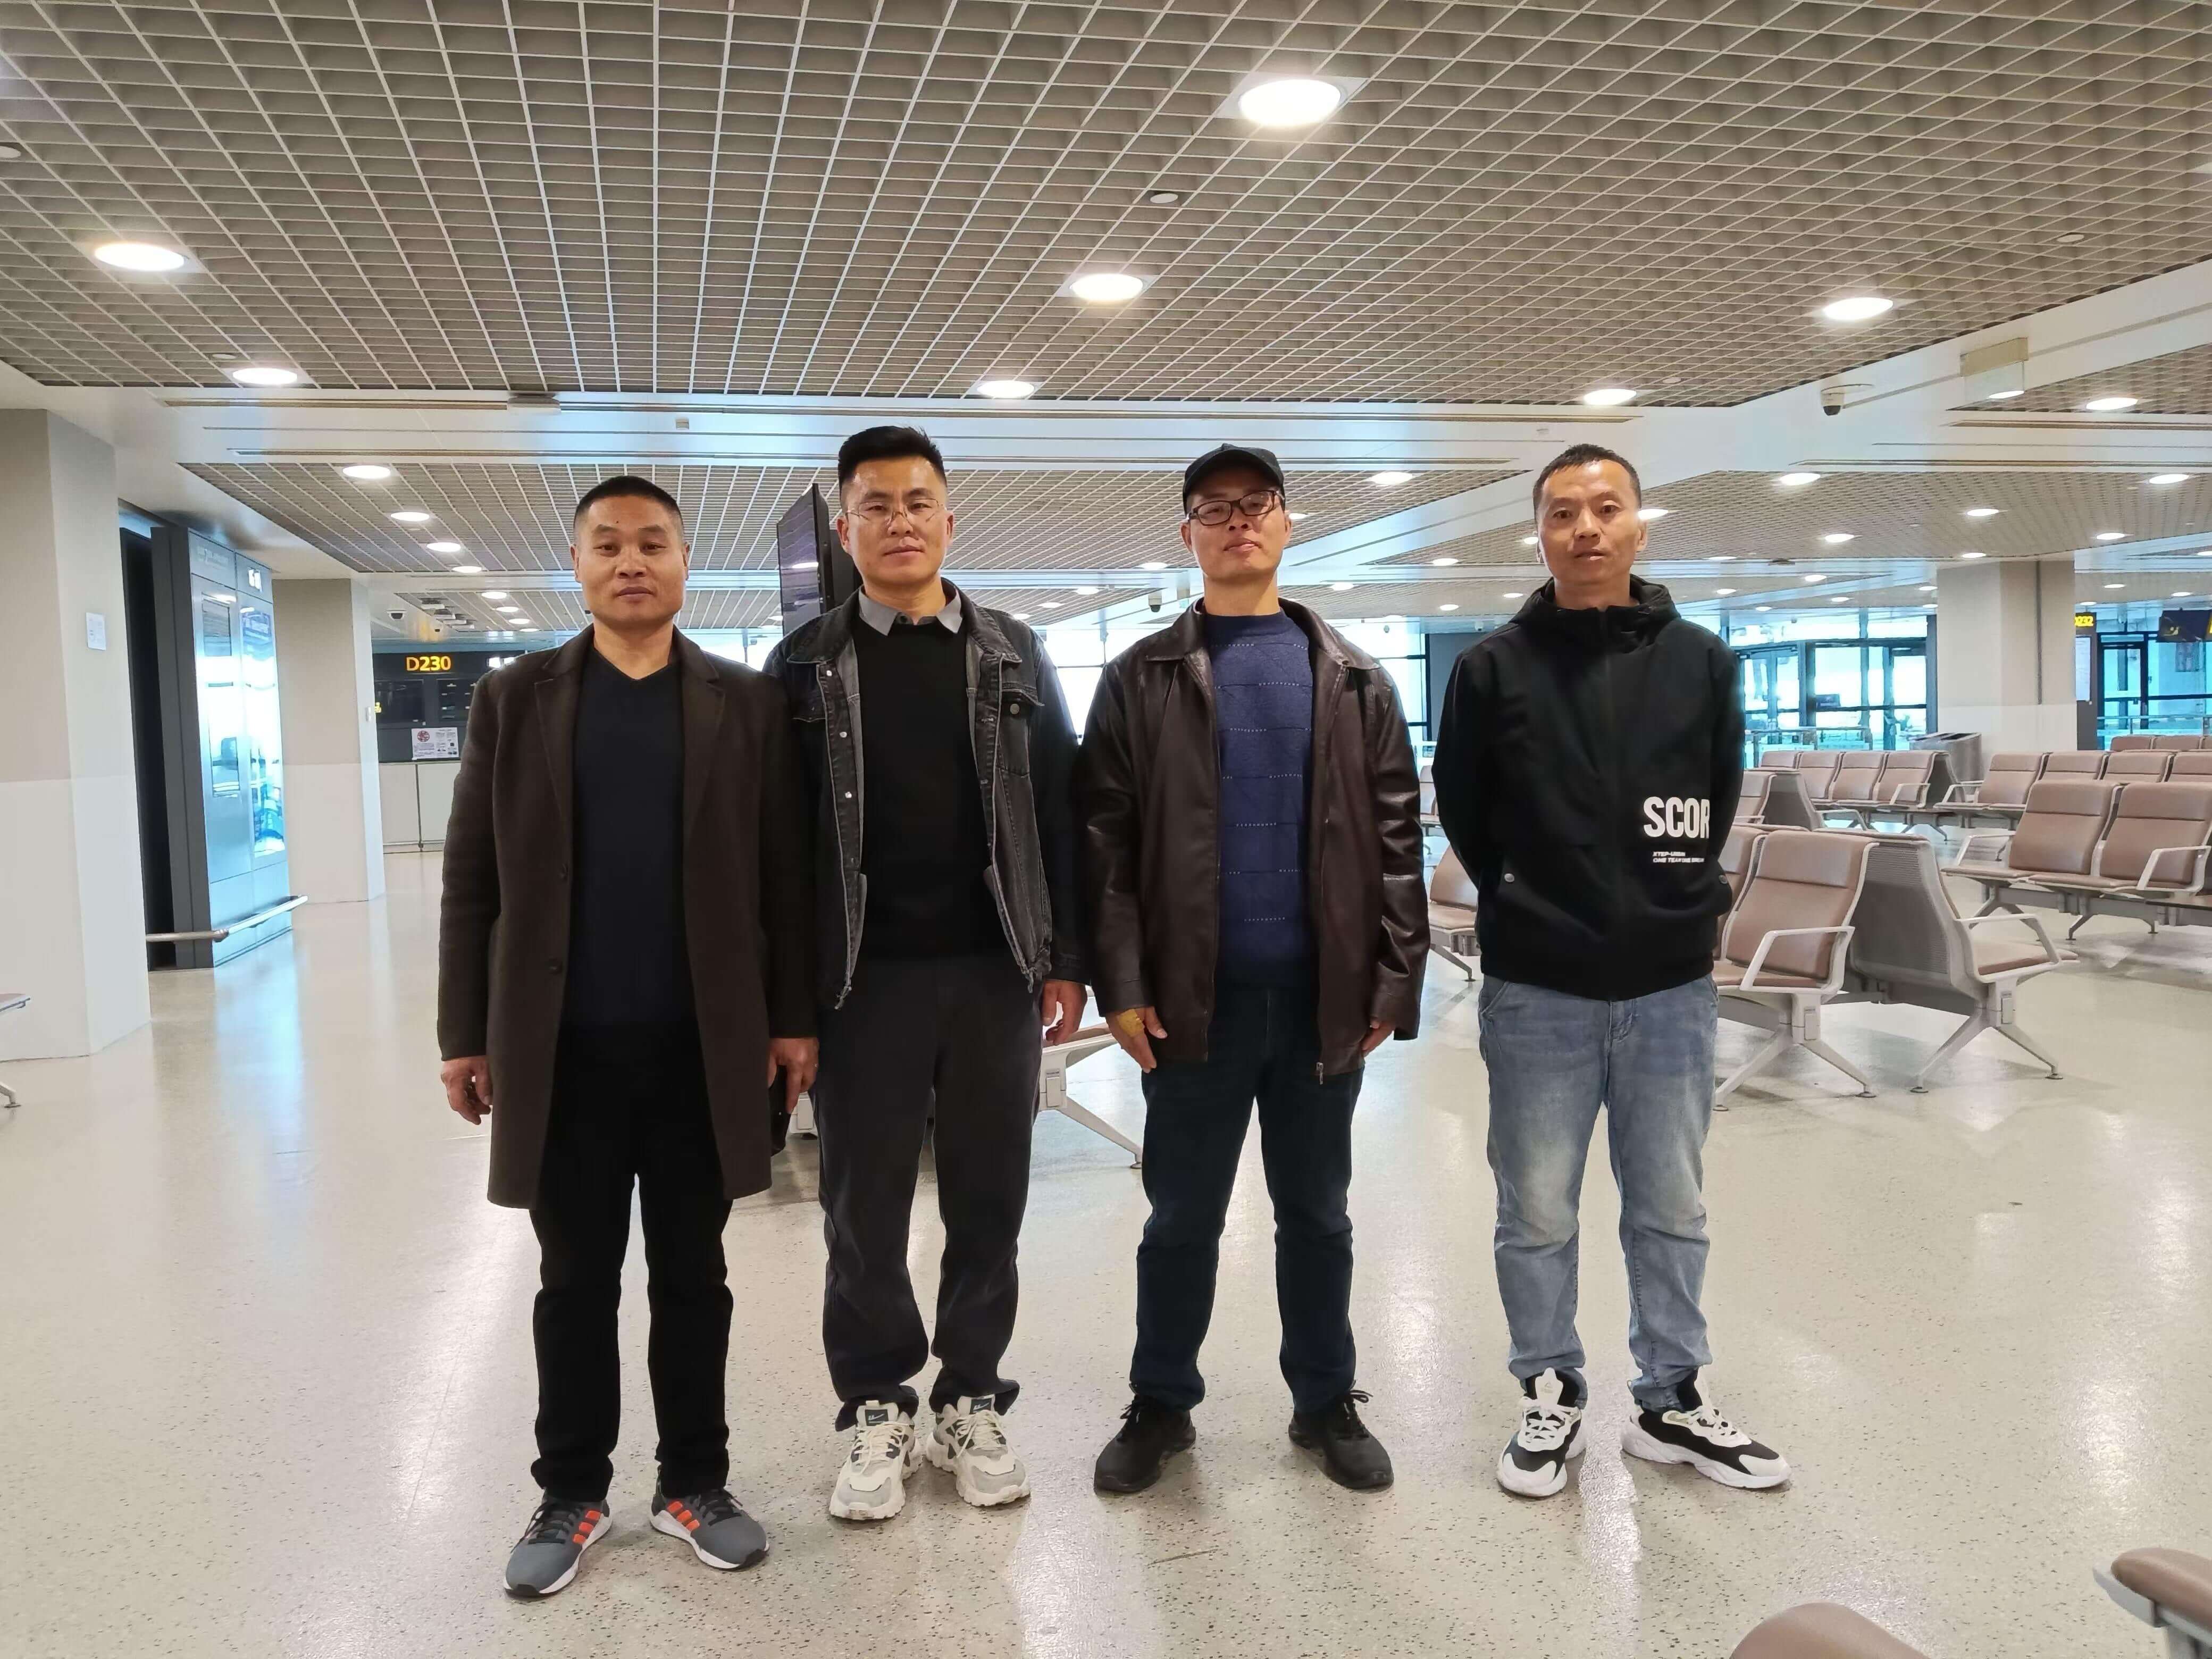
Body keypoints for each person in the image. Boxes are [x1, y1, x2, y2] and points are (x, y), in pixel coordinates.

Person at [438, 475, 818, 1597]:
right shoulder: (515, 699)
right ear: (578, 565)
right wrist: (464, 1033)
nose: (631, 562)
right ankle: (572, 1490)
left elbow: (785, 878)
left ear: (686, 563)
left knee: (695, 1277)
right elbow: (472, 878)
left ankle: (696, 1482)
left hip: (703, 1048)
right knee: (574, 1281)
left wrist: (792, 1018)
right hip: (564, 1052)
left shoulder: (745, 703)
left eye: (653, 543)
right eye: (608, 545)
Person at [1431, 442, 1789, 1499]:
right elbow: (1464, 808)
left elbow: (1713, 800)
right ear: (1539, 533)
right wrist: (1529, 896)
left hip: (1669, 986)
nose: (1583, 528)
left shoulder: (1702, 662)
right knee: (1537, 1209)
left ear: (1638, 525)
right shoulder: (1492, 667)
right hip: (1538, 986)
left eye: (1604, 508)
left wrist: (1666, 902)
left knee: (1671, 1205)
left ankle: (1672, 1400)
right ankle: (1549, 1389)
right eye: (1561, 512)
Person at [1077, 443, 1428, 1495]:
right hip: (1194, 1006)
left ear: (1286, 521)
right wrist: (1121, 984)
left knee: (1318, 1215)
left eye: (1256, 504)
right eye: (1214, 507)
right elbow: (1104, 842)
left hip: (1321, 1001)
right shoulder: (1141, 676)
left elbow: (1398, 840)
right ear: (1186, 532)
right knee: (1181, 1218)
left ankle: (1325, 1400)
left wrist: (1393, 981)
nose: (1238, 522)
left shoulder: (1354, 676)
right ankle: (1161, 1401)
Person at [764, 425, 1085, 1523]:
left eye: (916, 502)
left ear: (949, 518)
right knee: (862, 1207)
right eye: (875, 505)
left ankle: (970, 1396)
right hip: (861, 984)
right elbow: (775, 845)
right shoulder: (803, 663)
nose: (898, 523)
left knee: (991, 1197)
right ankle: (875, 1402)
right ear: (845, 527)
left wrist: (1065, 958)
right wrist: (786, 1001)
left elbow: (1059, 807)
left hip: (995, 972)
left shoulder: (1013, 650)